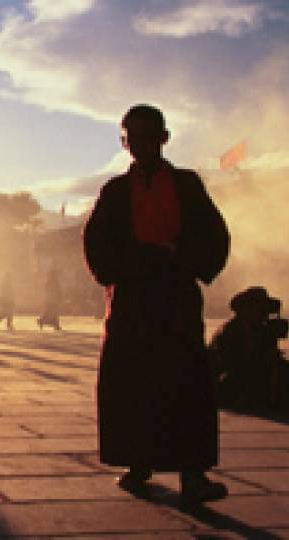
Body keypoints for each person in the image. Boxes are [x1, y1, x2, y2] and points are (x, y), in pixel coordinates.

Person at [83, 104, 230, 504]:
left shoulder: (186, 184)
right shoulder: (115, 191)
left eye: (150, 136)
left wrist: (175, 254)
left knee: (186, 384)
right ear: (124, 142)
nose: (142, 145)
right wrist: (139, 259)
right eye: (133, 138)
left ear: (164, 138)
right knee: (133, 383)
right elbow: (98, 244)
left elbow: (212, 234)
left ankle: (193, 473)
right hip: (132, 299)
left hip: (176, 298)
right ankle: (137, 463)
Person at [209, 286, 289, 410]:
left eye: (266, 311)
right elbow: (234, 365)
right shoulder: (231, 331)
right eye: (261, 311)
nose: (265, 315)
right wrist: (264, 359)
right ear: (246, 310)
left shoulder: (261, 329)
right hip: (228, 380)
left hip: (250, 375)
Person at [37, 266, 63, 331]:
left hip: (50, 299)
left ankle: (44, 321)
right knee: (53, 312)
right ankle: (47, 322)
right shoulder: (53, 282)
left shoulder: (48, 282)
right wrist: (59, 296)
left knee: (51, 313)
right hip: (52, 300)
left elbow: (47, 291)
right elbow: (57, 290)